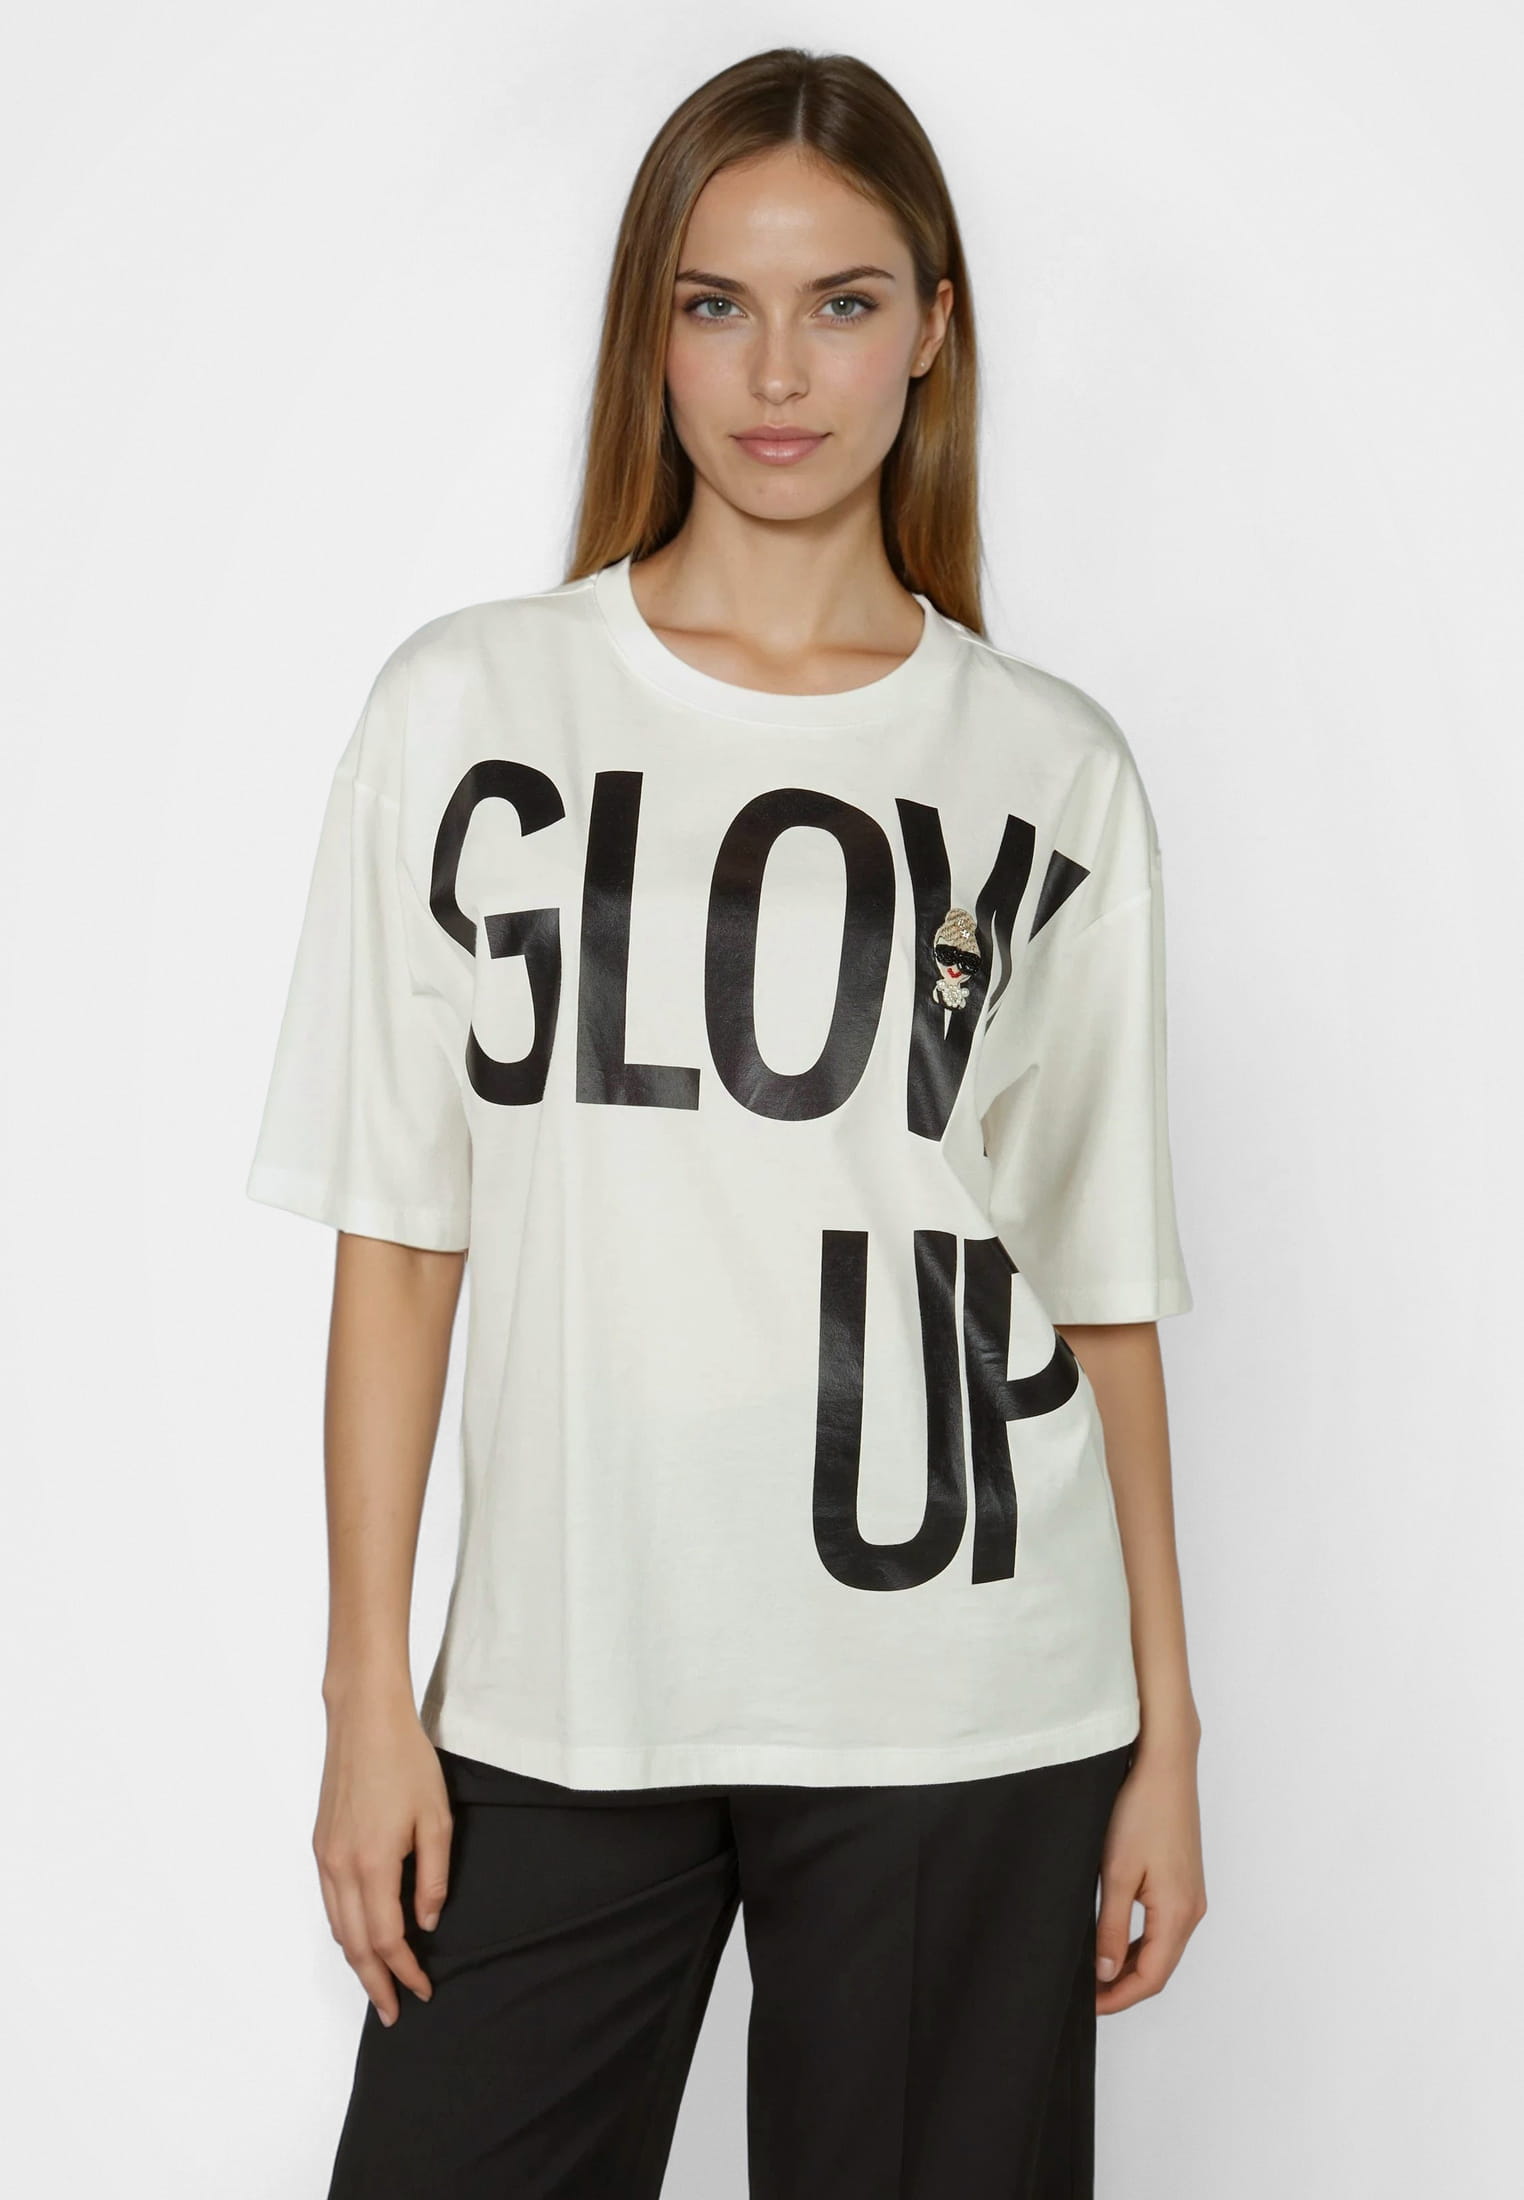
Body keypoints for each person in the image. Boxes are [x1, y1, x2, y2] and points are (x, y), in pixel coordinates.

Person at [245, 43, 1207, 2200]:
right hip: (569, 1677)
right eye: (717, 303)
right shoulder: (470, 709)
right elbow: (402, 1236)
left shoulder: (1048, 766)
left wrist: (1170, 1729)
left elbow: (1100, 1284)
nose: (779, 371)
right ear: (650, 330)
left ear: (932, 326)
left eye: (842, 302)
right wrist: (368, 1693)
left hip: (965, 1688)